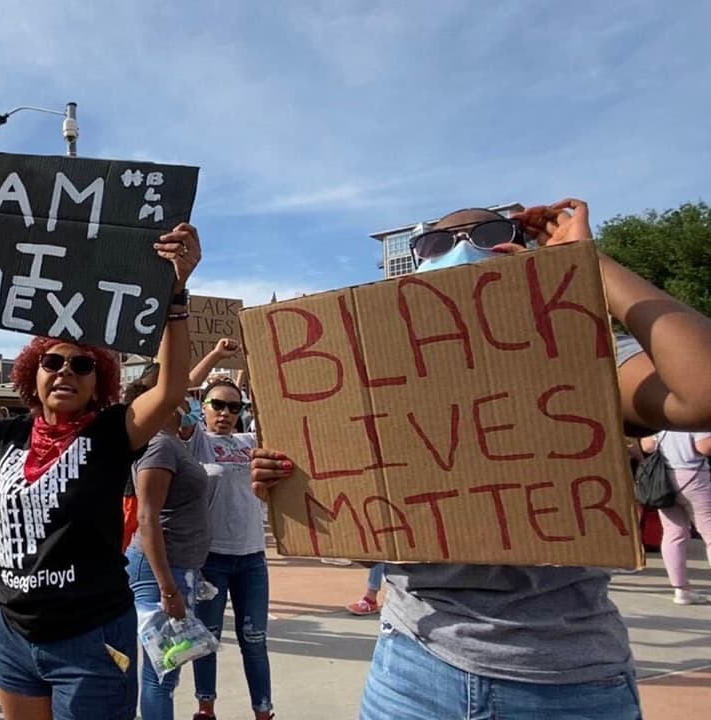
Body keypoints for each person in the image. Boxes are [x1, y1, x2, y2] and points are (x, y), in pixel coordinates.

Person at [250, 200, 711, 719]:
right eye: (437, 243)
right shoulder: (376, 392)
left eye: (486, 235)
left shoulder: (585, 359)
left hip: (567, 682)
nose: (460, 251)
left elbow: (702, 390)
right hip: (413, 672)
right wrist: (307, 495)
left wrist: (587, 263)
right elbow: (372, 550)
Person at [0, 223, 202, 720]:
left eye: (81, 365)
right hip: (13, 633)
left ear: (100, 382)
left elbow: (172, 388)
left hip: (90, 637)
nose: (66, 372)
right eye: (53, 362)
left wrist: (174, 293)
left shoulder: (113, 432)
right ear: (34, 373)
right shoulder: (8, 435)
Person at [184, 340, 273, 720]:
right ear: (202, 407)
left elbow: (278, 407)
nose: (225, 413)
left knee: (254, 641)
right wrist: (217, 357)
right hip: (211, 561)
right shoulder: (195, 442)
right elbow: (173, 393)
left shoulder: (252, 441)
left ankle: (264, 711)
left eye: (233, 407)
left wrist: (254, 362)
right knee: (207, 642)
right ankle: (206, 708)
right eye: (217, 405)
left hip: (252, 559)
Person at [121, 377, 210, 720]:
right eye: (183, 397)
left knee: (166, 668)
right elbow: (147, 517)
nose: (190, 404)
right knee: (163, 672)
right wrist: (168, 589)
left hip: (174, 567)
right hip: (160, 571)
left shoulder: (170, 444)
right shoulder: (160, 446)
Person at [639, 431, 711, 604]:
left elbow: (647, 446)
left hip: (664, 478)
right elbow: (704, 448)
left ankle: (681, 589)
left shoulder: (660, 419)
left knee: (673, 533)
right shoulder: (693, 417)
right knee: (709, 532)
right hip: (694, 476)